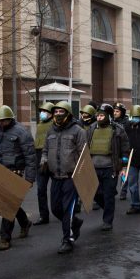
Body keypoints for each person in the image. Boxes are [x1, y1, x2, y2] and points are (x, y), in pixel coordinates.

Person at [41, 101, 86, 253]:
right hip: (55, 176)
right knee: (55, 209)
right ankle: (75, 223)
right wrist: (44, 161)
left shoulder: (78, 131)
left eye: (61, 112)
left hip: (70, 177)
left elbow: (83, 155)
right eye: (56, 112)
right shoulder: (50, 130)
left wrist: (80, 176)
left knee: (67, 210)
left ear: (68, 113)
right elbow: (45, 150)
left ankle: (67, 239)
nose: (58, 114)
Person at [0, 105, 37, 249]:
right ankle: (24, 222)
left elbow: (30, 156)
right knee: (10, 203)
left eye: (3, 120)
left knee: (7, 205)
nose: (0, 123)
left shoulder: (22, 132)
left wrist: (29, 178)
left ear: (10, 119)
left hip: (15, 171)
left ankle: (5, 238)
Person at [86, 108, 129, 230]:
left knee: (108, 195)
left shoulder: (117, 130)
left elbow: (125, 149)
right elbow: (85, 145)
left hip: (110, 168)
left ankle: (107, 221)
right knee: (95, 193)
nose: (99, 118)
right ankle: (109, 207)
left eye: (101, 115)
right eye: (98, 115)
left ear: (108, 116)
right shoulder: (92, 129)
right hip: (94, 168)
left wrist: (124, 166)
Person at [33, 102, 54, 225]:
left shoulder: (54, 125)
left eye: (45, 112)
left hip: (51, 159)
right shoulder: (40, 125)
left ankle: (61, 211)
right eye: (42, 111)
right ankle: (43, 215)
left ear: (51, 114)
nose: (42, 114)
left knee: (56, 190)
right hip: (40, 159)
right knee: (41, 190)